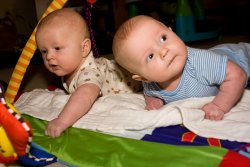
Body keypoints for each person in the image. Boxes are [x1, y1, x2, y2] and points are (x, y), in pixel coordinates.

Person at [112, 15, 250, 121]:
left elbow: (238, 75)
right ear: (143, 78)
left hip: (241, 57)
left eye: (163, 38)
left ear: (171, 31)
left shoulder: (198, 61)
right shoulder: (151, 85)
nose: (164, 51)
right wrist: (154, 101)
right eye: (150, 56)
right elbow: (149, 94)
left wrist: (219, 106)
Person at [35, 8, 141, 138]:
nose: (49, 56)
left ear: (84, 48)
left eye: (57, 48)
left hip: (136, 72)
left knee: (154, 74)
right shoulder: (70, 69)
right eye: (44, 51)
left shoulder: (89, 73)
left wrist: (62, 121)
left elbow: (84, 96)